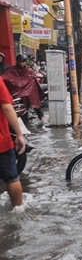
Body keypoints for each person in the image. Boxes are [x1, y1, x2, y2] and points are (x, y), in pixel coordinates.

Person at [0, 77, 26, 208]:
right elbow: (7, 108)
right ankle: (18, 210)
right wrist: (20, 134)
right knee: (11, 178)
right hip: (2, 142)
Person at [1, 54, 46, 122]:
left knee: (36, 102)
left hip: (29, 92)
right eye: (20, 62)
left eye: (23, 62)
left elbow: (31, 78)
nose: (22, 64)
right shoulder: (12, 69)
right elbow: (6, 77)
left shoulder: (29, 70)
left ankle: (42, 119)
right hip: (17, 93)